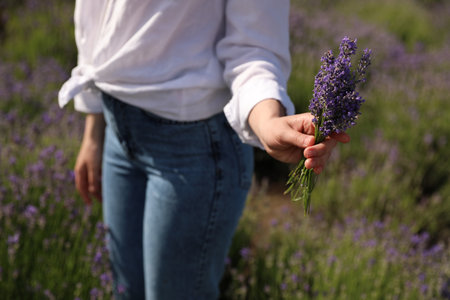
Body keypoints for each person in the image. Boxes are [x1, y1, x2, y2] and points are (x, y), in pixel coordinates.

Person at [58, 0, 349, 299]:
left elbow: (253, 47)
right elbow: (96, 17)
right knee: (126, 290)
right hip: (116, 132)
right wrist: (93, 133)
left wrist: (267, 124)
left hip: (192, 149)